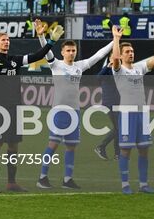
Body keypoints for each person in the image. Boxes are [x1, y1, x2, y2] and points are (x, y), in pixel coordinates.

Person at [0, 19, 60, 192]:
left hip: (15, 109)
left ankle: (11, 182)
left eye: (8, 40)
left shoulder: (16, 60)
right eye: (3, 40)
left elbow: (37, 56)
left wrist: (50, 41)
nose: (7, 42)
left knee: (13, 146)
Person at [37, 31, 115, 190]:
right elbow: (46, 49)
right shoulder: (56, 64)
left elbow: (99, 56)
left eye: (73, 51)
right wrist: (41, 36)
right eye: (68, 50)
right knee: (53, 144)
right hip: (59, 111)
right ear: (62, 52)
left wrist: (116, 40)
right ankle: (42, 177)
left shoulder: (79, 66)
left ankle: (67, 179)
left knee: (71, 146)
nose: (71, 53)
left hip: (75, 112)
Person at [111, 22, 154, 194]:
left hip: (142, 113)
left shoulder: (139, 67)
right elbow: (116, 59)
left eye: (132, 51)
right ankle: (125, 184)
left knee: (144, 149)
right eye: (127, 51)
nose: (131, 53)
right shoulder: (118, 70)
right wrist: (117, 39)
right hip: (127, 114)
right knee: (125, 151)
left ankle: (143, 185)